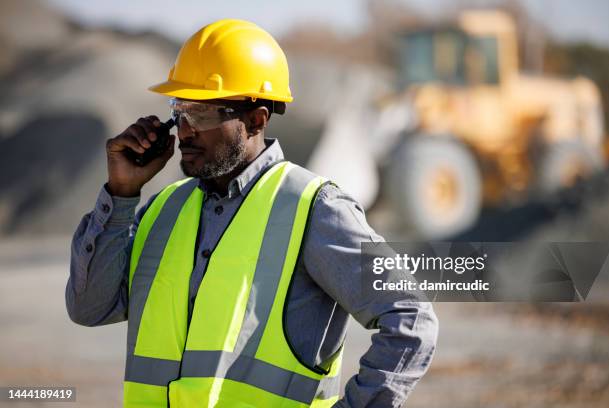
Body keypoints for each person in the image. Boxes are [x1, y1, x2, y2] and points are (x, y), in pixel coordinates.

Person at [66, 18, 438, 407]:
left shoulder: (314, 210)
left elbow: (411, 320)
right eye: (179, 109)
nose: (184, 131)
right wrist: (121, 194)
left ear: (255, 119)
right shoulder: (161, 211)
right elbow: (89, 308)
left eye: (202, 113)